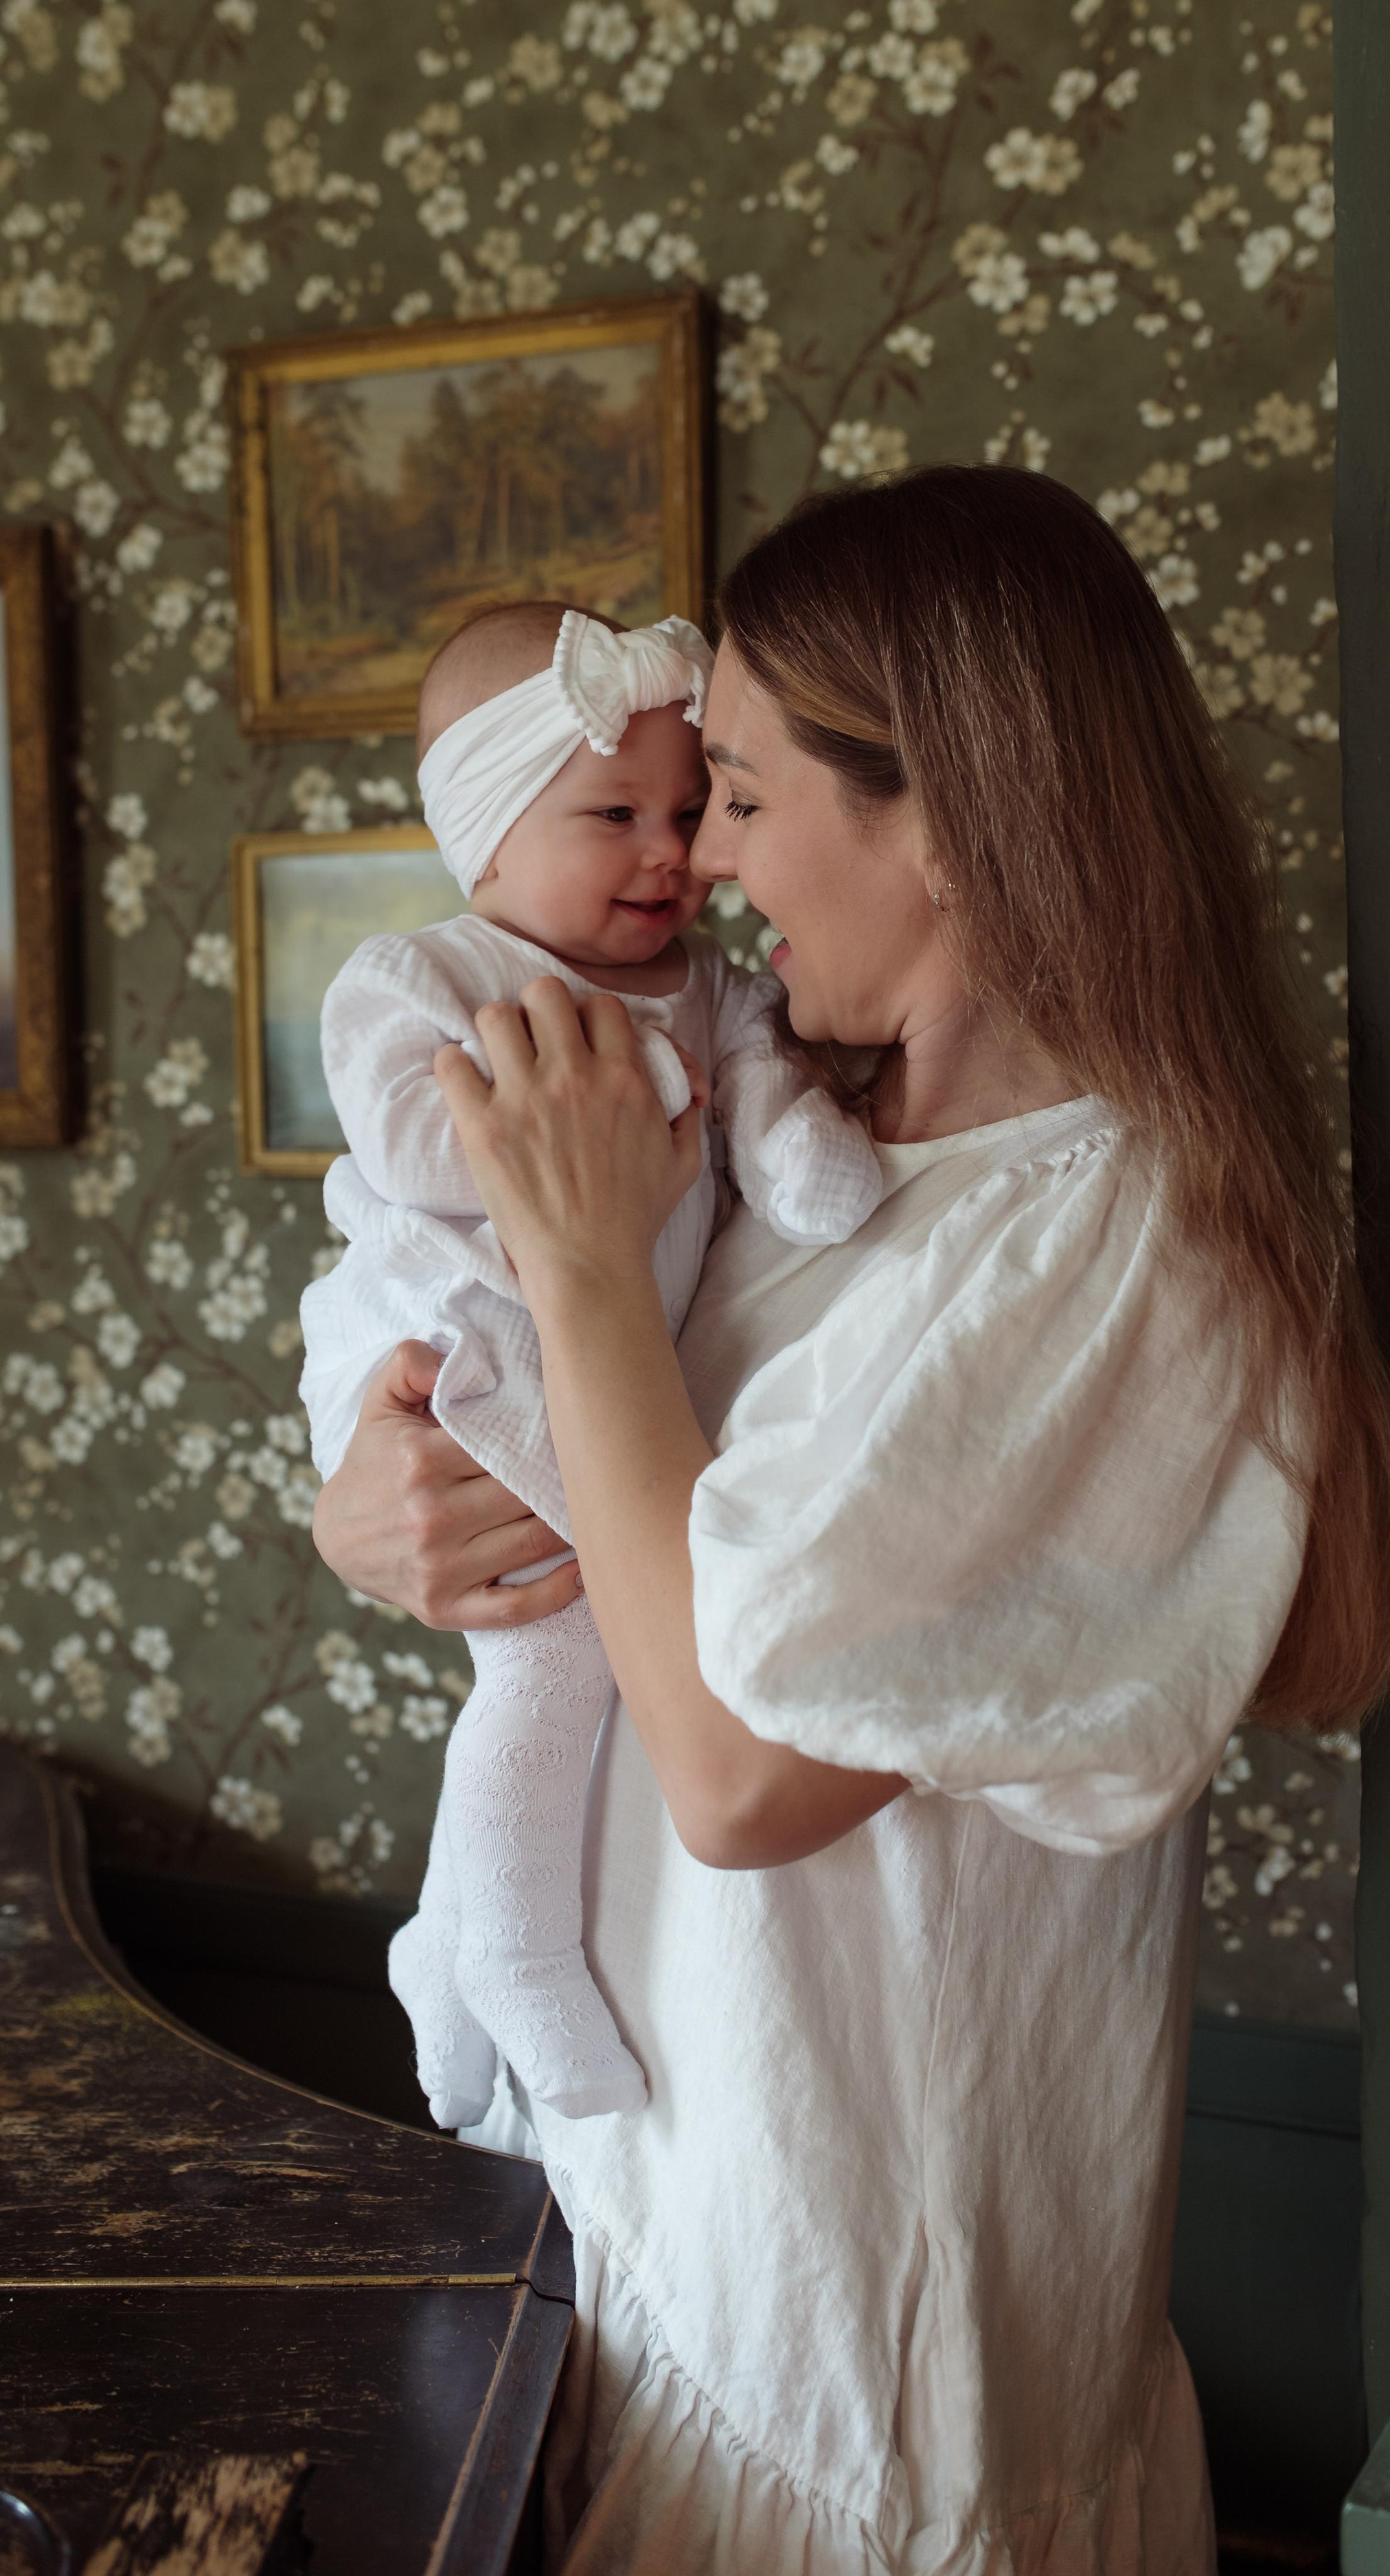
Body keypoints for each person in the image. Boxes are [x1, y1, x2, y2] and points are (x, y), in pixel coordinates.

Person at [312, 465, 1390, 2576]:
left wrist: (566, 1269)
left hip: (868, 2379)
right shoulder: (810, 1143)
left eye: (733, 791)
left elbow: (737, 1768)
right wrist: (377, 1508)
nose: (706, 863)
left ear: (940, 813)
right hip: (656, 2240)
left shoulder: (1115, 1248)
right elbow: (628, 1530)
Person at [300, 601, 879, 2131]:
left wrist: (794, 1150)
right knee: (564, 1644)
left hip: (582, 1346)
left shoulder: (707, 985)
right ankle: (511, 1950)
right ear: (486, 834)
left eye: (691, 811)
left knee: (594, 1642)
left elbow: (762, 1091)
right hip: (450, 1333)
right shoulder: (424, 973)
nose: (670, 854)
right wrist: (641, 1088)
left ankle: (447, 1940)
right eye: (613, 815)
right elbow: (423, 1147)